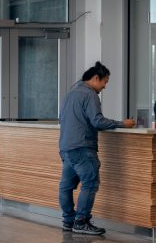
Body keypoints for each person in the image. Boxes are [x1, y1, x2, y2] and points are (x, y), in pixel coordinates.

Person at [58, 61, 135, 236]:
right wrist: (122, 123)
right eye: (105, 82)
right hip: (83, 147)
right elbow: (97, 121)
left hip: (66, 147)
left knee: (66, 186)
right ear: (95, 78)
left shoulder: (70, 94)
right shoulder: (90, 94)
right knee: (90, 184)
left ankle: (68, 221)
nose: (105, 87)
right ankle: (81, 222)